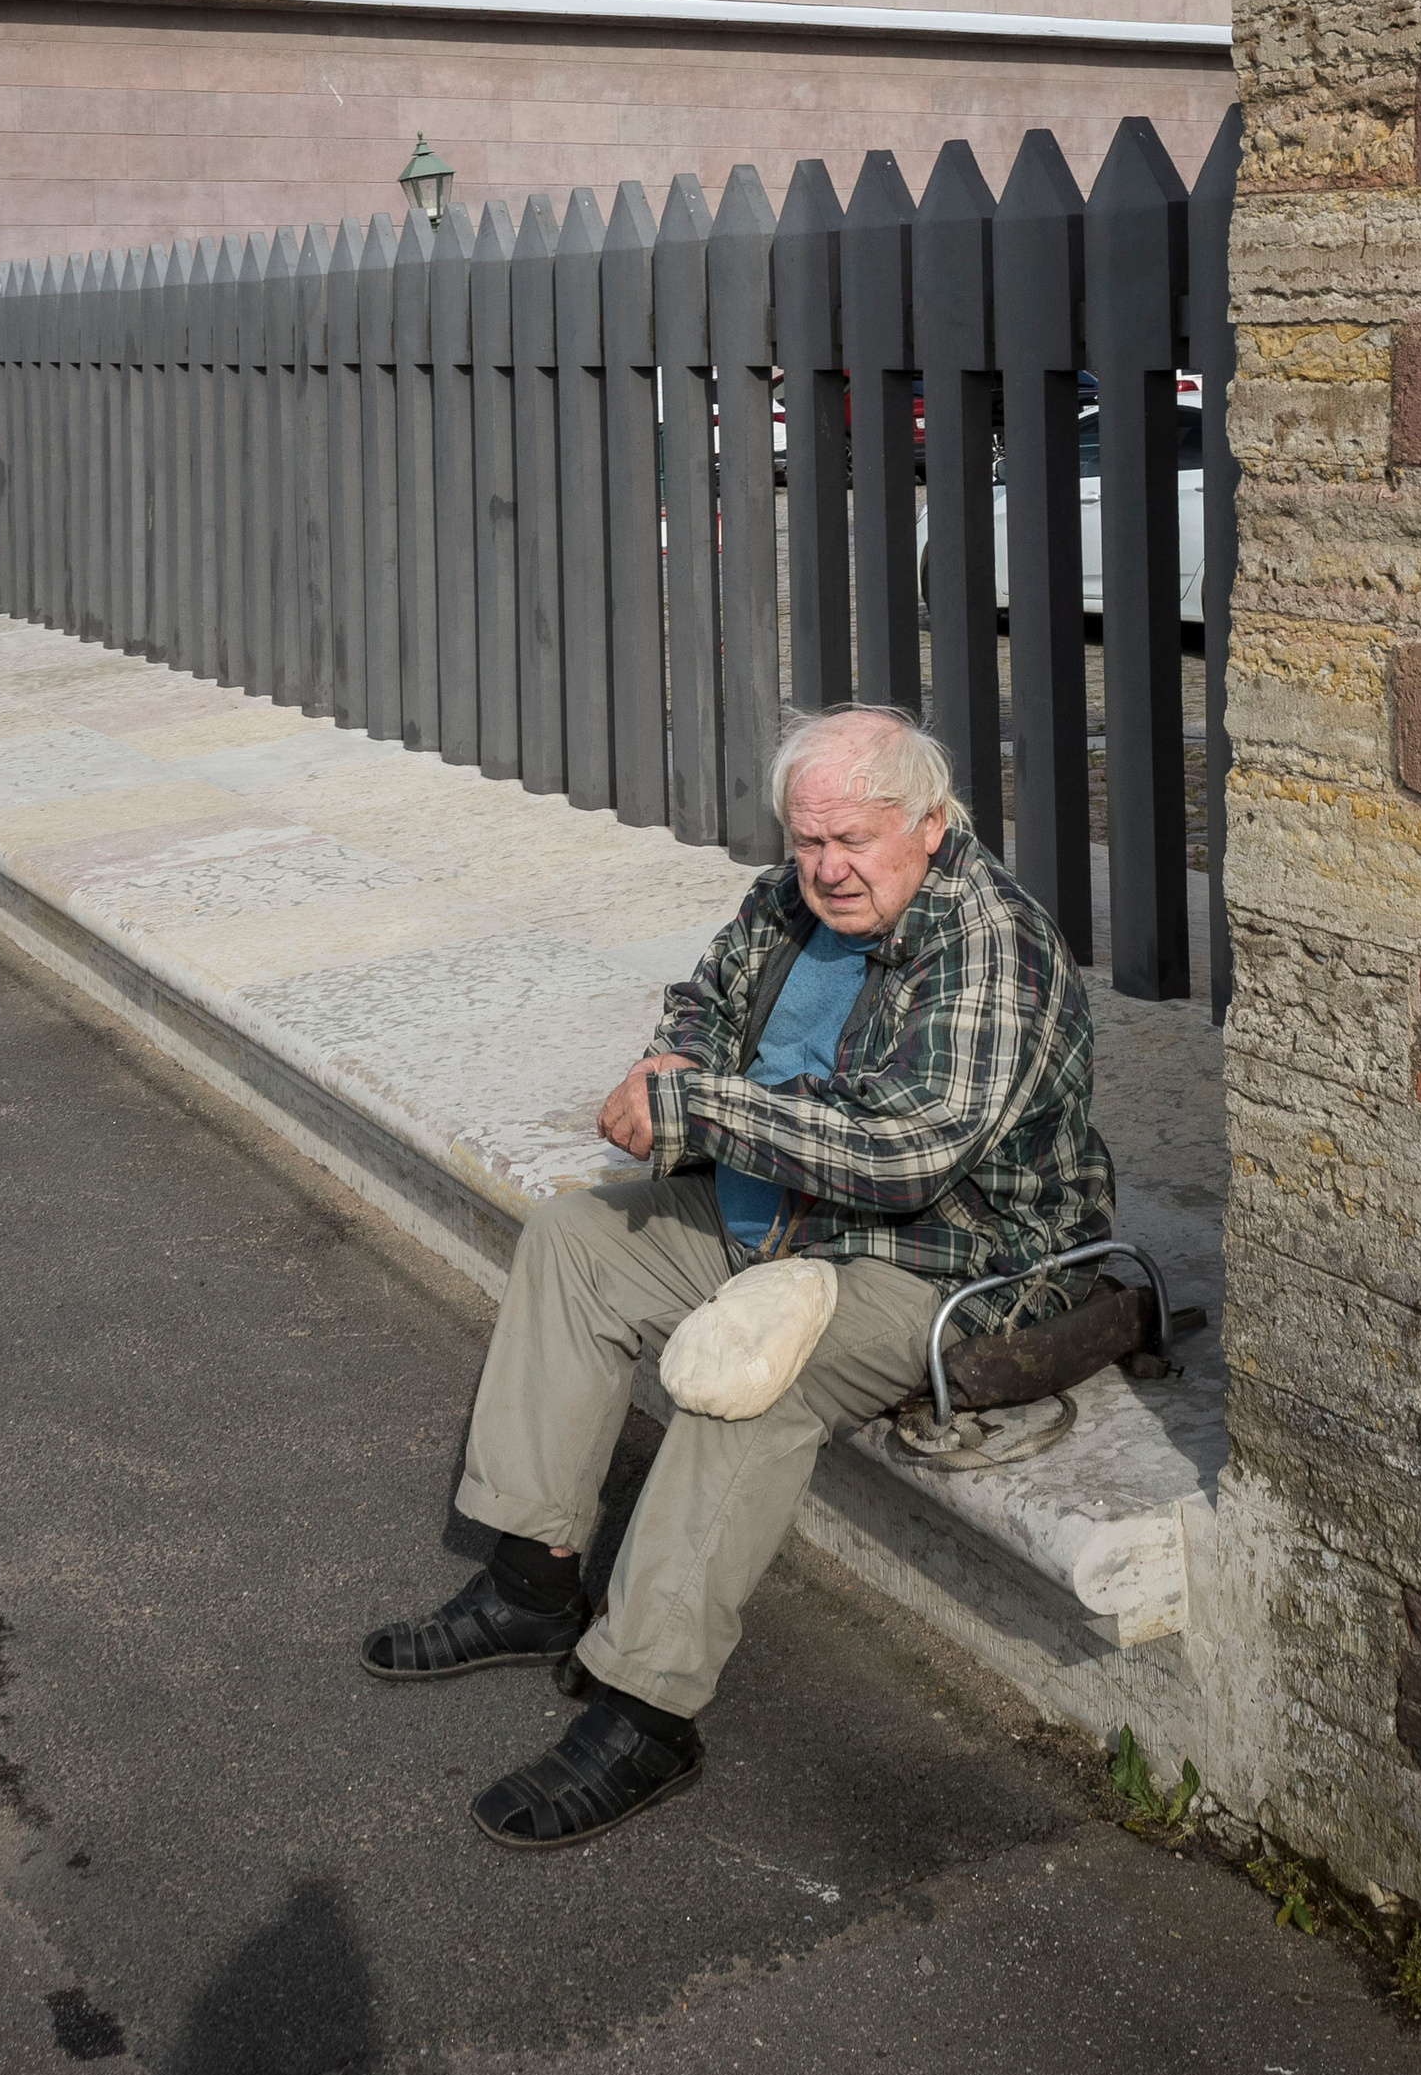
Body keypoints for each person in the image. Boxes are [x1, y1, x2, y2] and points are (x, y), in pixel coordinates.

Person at [359, 702, 1112, 1849]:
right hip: (777, 1209)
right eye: (806, 842)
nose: (826, 869)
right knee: (574, 1244)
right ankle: (530, 1582)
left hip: (941, 1256)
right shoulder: (787, 900)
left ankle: (646, 1708)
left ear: (928, 822)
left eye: (851, 841)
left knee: (739, 1372)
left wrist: (698, 1104)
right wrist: (680, 1064)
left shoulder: (989, 944)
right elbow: (703, 1005)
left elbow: (906, 1155)